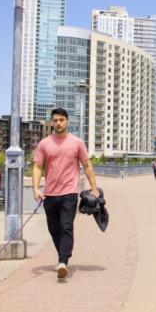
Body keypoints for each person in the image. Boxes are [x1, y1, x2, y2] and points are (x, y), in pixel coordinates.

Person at [33, 107, 100, 279]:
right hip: (49, 194)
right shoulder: (44, 144)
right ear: (52, 122)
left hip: (70, 193)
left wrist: (94, 188)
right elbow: (37, 167)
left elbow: (87, 165)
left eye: (61, 120)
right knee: (54, 229)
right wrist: (35, 188)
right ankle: (63, 256)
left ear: (67, 121)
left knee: (66, 226)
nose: (58, 123)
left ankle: (63, 261)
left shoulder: (77, 142)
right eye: (55, 120)